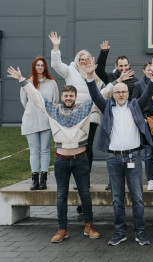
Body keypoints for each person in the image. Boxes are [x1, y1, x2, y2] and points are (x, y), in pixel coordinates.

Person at [8, 64, 100, 243]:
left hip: (81, 159)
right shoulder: (53, 110)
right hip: (61, 161)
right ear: (62, 97)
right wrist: (22, 80)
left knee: (85, 195)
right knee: (61, 195)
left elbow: (100, 96)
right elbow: (36, 97)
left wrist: (115, 82)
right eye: (65, 95)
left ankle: (89, 226)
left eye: (71, 95)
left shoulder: (85, 108)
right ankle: (62, 229)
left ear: (75, 97)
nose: (68, 98)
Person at [87, 56, 153, 246]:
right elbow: (96, 95)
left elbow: (150, 92)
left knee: (137, 198)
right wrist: (89, 77)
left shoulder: (135, 105)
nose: (121, 94)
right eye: (117, 92)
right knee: (117, 199)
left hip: (133, 157)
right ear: (113, 94)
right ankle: (120, 232)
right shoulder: (107, 107)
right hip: (113, 159)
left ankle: (140, 232)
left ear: (128, 93)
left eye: (123, 92)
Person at [49, 32, 105, 181]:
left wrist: (96, 109)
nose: (84, 61)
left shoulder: (96, 76)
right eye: (81, 59)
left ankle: (85, 177)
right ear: (77, 60)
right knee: (75, 147)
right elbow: (56, 65)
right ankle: (74, 176)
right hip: (74, 116)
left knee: (88, 147)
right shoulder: (70, 70)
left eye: (86, 59)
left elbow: (101, 95)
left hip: (91, 116)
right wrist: (56, 47)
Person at [19, 57, 58, 190]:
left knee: (45, 150)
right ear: (34, 67)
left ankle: (44, 179)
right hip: (31, 121)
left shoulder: (52, 83)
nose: (40, 67)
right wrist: (33, 112)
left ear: (45, 67)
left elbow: (55, 101)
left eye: (42, 65)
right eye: (38, 65)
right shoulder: (27, 83)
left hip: (46, 121)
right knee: (34, 151)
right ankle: (34, 179)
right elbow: (24, 102)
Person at [133, 60, 153, 191]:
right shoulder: (138, 85)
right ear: (144, 70)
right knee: (147, 153)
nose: (150, 71)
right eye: (148, 69)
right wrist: (142, 119)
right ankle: (150, 179)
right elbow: (134, 105)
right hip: (146, 121)